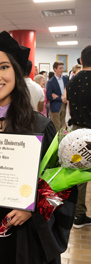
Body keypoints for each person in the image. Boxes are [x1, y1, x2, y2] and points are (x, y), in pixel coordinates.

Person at [0, 31, 77, 264]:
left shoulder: (39, 125)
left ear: (17, 73)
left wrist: (34, 209)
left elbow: (59, 185)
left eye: (3, 67)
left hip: (25, 237)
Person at [67, 45, 91, 229]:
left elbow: (69, 105)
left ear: (81, 61)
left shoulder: (72, 80)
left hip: (77, 131)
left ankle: (78, 214)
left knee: (80, 172)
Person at [46, 61, 69, 132]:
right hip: (55, 107)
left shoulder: (66, 78)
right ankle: (57, 142)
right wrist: (61, 98)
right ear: (55, 69)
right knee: (56, 128)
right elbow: (49, 96)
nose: (62, 70)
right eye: (60, 68)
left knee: (63, 127)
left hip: (65, 105)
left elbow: (68, 90)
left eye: (62, 68)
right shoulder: (51, 82)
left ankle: (62, 142)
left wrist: (58, 97)